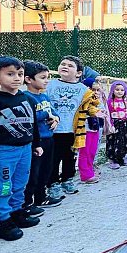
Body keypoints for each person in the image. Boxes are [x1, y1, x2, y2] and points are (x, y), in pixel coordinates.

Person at [0, 56, 42, 241]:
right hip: (3, 151)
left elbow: (33, 124)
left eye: (20, 74)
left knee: (20, 183)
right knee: (3, 186)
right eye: (10, 74)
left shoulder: (27, 99)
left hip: (25, 149)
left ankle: (16, 212)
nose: (16, 78)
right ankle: (3, 221)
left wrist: (36, 144)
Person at [23, 61, 62, 212]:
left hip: (49, 138)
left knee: (46, 169)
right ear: (28, 79)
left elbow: (53, 111)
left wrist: (56, 118)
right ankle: (27, 202)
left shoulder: (44, 96)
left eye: (48, 77)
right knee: (33, 172)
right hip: (36, 141)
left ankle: (41, 197)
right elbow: (31, 116)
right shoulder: (26, 97)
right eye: (43, 77)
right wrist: (47, 114)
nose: (47, 81)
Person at [46, 56, 88, 198]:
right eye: (62, 64)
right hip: (53, 130)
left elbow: (91, 106)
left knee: (69, 157)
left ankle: (67, 179)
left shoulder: (83, 89)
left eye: (70, 65)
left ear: (78, 73)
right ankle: (52, 183)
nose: (65, 66)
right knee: (53, 158)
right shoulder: (49, 85)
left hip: (73, 130)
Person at [75, 77, 105, 183]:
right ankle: (85, 174)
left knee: (92, 151)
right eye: (93, 89)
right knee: (85, 152)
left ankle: (90, 170)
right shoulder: (83, 101)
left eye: (98, 90)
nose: (95, 92)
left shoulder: (97, 101)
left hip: (95, 128)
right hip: (85, 128)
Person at [106, 80, 127, 169]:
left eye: (122, 90)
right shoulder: (109, 102)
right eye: (117, 89)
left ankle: (123, 156)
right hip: (114, 124)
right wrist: (110, 125)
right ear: (113, 90)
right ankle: (113, 159)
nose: (119, 92)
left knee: (124, 140)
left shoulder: (126, 101)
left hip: (124, 123)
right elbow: (108, 114)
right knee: (113, 141)